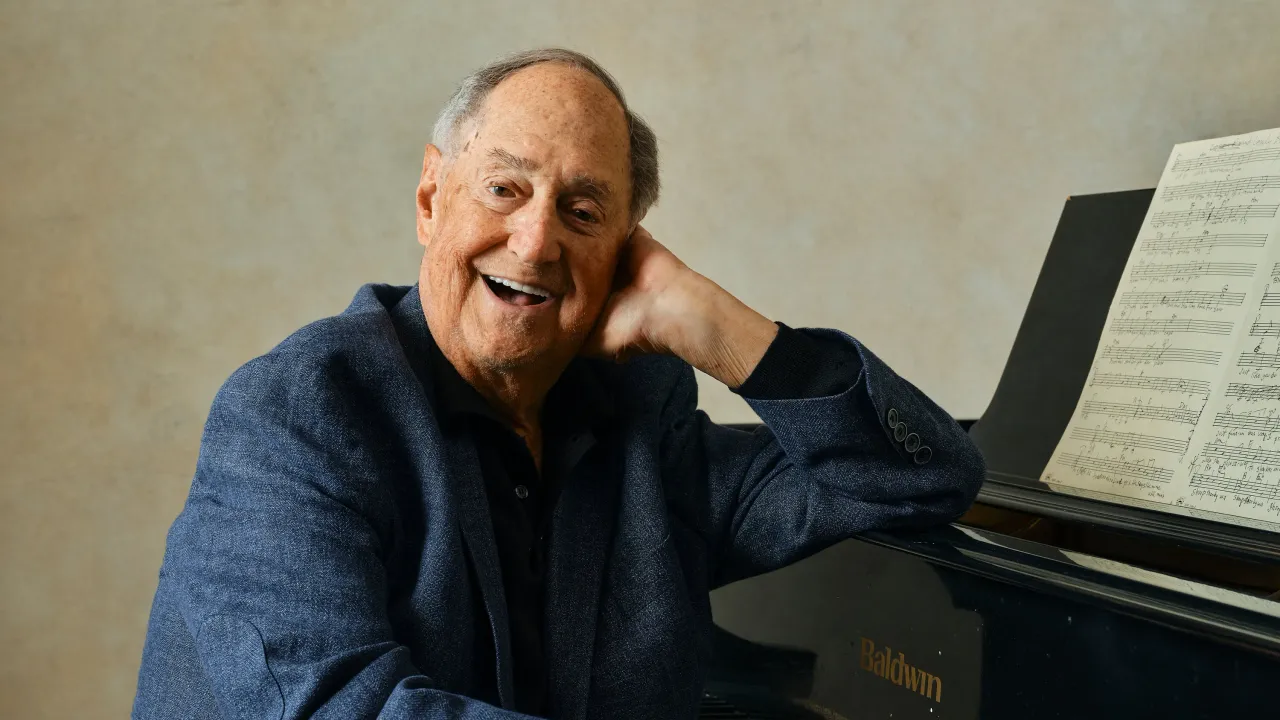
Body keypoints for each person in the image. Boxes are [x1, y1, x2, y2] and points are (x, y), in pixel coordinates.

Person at [133, 48, 985, 719]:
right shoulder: (299, 413)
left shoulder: (643, 422)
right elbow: (338, 705)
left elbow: (925, 477)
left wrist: (722, 332)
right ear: (431, 198)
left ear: (624, 251)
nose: (536, 241)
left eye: (582, 213)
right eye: (504, 189)